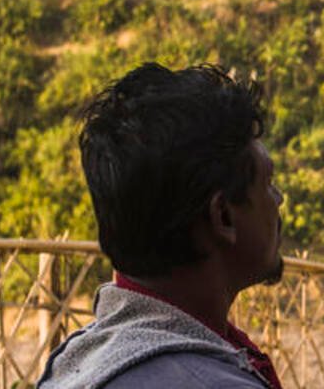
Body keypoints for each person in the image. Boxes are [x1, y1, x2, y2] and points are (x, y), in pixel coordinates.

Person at [38, 64, 286, 389]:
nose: (278, 199)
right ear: (223, 216)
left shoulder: (75, 364)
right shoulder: (213, 382)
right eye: (267, 183)